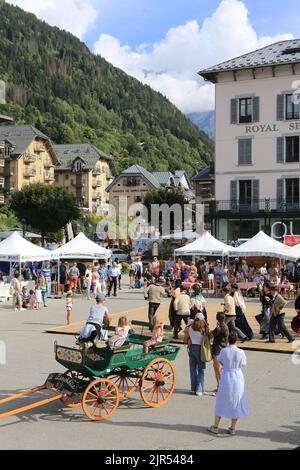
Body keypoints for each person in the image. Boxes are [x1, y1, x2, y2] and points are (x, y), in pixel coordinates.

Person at [208, 331, 249, 436]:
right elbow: (243, 363)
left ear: (228, 340)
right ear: (237, 340)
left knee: (221, 399)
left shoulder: (224, 351)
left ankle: (216, 426)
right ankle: (233, 427)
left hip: (226, 375)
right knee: (236, 400)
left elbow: (220, 361)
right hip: (238, 376)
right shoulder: (240, 352)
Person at [184, 317, 208, 396]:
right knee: (201, 370)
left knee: (193, 369)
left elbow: (186, 336)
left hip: (192, 348)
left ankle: (193, 388)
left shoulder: (190, 327)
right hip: (200, 349)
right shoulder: (203, 329)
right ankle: (199, 389)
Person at [211, 313, 229, 389]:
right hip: (224, 348)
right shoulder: (225, 326)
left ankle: (220, 385)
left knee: (216, 369)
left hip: (217, 349)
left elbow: (212, 335)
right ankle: (223, 385)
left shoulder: (219, 328)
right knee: (224, 368)